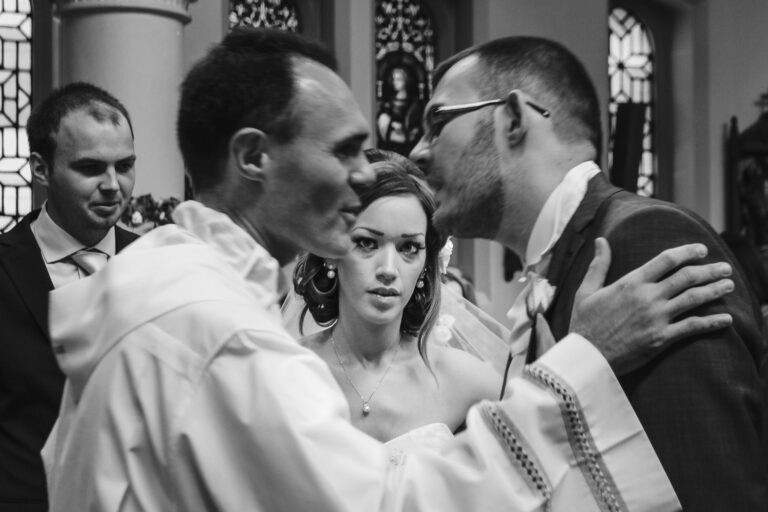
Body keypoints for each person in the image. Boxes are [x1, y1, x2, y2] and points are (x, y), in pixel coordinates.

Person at [43, 28, 733, 511]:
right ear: (254, 156)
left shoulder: (167, 280)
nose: (368, 173)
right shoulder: (214, 327)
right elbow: (380, 503)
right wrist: (579, 370)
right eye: (345, 149)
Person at [409, 36, 768, 510]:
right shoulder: (558, 264)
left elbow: (705, 484)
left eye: (437, 122)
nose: (417, 151)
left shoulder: (641, 242)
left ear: (514, 119)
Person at [293, 148, 500, 445]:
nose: (389, 270)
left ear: (427, 263)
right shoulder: (288, 372)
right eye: (366, 243)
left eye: (409, 248)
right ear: (331, 252)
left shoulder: (468, 382)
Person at [0, 82, 138, 512]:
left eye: (126, 165)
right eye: (91, 168)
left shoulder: (158, 266)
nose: (114, 185)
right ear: (41, 169)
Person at [377, 66, 423, 155]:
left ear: (406, 80)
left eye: (399, 79)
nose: (395, 83)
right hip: (391, 145)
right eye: (394, 79)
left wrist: (405, 129)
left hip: (407, 145)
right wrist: (391, 124)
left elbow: (417, 126)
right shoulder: (388, 103)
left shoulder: (414, 104)